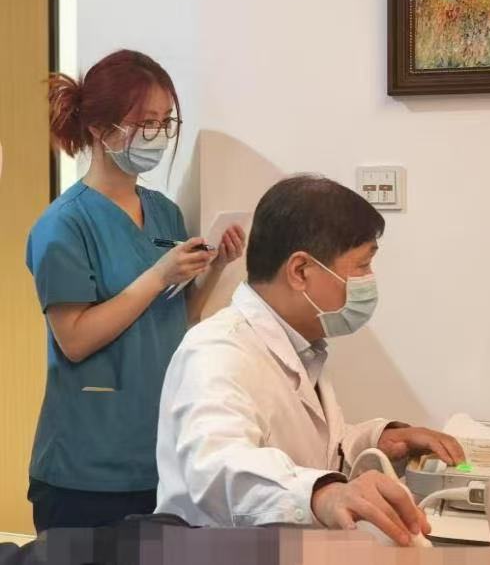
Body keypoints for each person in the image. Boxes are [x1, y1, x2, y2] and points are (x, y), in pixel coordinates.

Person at [155, 175, 465, 546]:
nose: (369, 280)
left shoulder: (301, 346)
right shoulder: (216, 352)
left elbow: (315, 450)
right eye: (362, 265)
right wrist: (322, 494)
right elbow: (217, 470)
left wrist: (381, 440)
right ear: (300, 271)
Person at [26, 49, 246, 531]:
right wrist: (159, 274)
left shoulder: (164, 213)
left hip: (159, 457)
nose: (158, 135)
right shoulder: (64, 224)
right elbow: (75, 338)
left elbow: (176, 318)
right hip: (85, 468)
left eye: (165, 122)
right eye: (146, 122)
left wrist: (215, 268)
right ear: (99, 128)